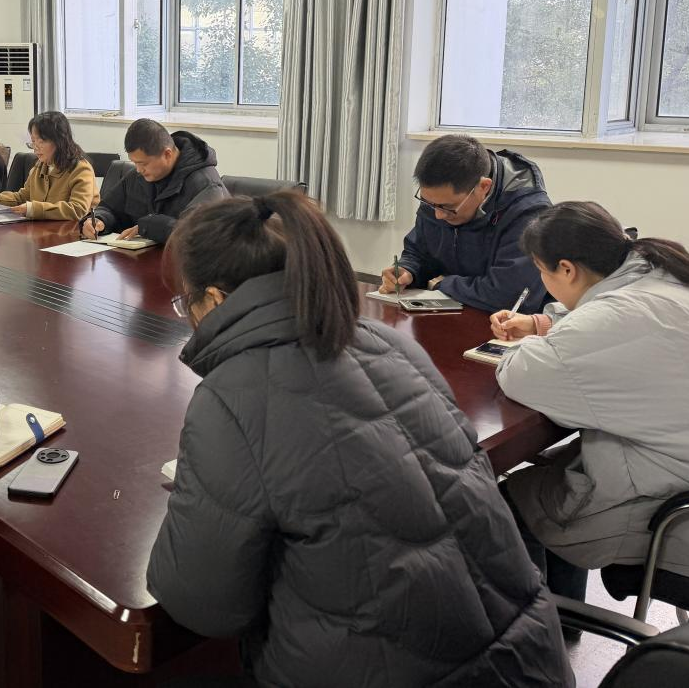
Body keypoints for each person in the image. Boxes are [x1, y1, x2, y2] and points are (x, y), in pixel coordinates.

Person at [147, 190, 572, 688]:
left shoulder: (229, 398)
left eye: (188, 302)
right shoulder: (389, 342)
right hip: (529, 661)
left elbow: (202, 604)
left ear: (217, 300)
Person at [494, 201, 689, 600]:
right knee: (554, 477)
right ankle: (566, 616)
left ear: (566, 269)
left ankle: (541, 622)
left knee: (505, 502)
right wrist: (544, 324)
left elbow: (521, 374)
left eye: (542, 271)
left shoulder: (614, 318)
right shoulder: (669, 277)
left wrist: (532, 339)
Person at [379, 134, 551, 313]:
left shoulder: (528, 213)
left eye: (448, 207)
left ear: (484, 187)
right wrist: (408, 270)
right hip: (449, 311)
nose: (438, 215)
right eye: (428, 203)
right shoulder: (439, 199)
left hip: (506, 323)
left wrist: (442, 283)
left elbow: (511, 295)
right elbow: (420, 251)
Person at [85, 119, 226, 244]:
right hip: (137, 261)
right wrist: (99, 220)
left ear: (167, 154)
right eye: (135, 163)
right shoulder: (139, 176)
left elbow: (197, 235)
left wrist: (150, 226)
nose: (138, 170)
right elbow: (109, 208)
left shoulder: (206, 184)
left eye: (143, 163)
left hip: (186, 263)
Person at [0, 111, 97, 221]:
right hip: (44, 229)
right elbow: (24, 197)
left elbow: (78, 209)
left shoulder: (80, 169)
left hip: (72, 231)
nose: (35, 148)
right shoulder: (40, 166)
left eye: (41, 141)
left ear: (59, 141)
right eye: (33, 142)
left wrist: (33, 209)